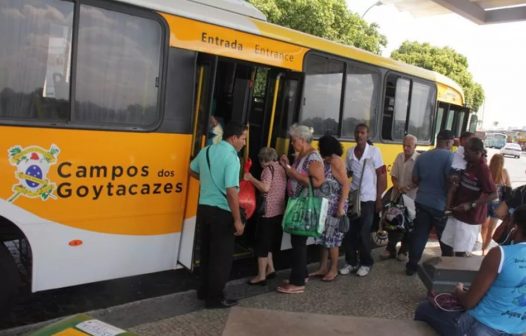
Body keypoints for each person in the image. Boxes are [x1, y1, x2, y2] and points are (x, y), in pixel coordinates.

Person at [414, 205, 526, 336]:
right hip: (517, 331)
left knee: (424, 309)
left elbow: (468, 303)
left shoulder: (500, 254)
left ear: (515, 227)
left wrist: (459, 291)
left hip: (479, 328)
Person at [189, 121, 247, 309]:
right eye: (243, 139)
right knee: (221, 259)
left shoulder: (207, 150)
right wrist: (238, 220)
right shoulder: (232, 157)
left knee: (206, 253)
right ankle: (214, 299)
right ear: (233, 138)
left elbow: (191, 169)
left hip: (204, 209)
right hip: (222, 212)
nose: (244, 143)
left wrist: (206, 182)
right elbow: (231, 191)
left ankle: (203, 291)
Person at [277, 124, 325, 294]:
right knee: (298, 242)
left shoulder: (313, 157)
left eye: (294, 140)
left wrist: (291, 172)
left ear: (302, 140)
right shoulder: (303, 155)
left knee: (298, 243)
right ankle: (301, 274)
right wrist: (287, 166)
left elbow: (317, 181)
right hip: (298, 203)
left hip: (303, 206)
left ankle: (297, 283)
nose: (291, 143)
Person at [405, 129, 455, 276]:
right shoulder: (450, 158)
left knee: (419, 235)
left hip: (421, 201)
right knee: (445, 239)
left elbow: (415, 180)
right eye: (452, 142)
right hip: (440, 205)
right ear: (448, 142)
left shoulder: (422, 157)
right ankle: (448, 269)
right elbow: (450, 182)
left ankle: (411, 266)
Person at [340, 123, 387, 277]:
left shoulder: (374, 152)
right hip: (353, 198)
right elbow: (347, 174)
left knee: (363, 232)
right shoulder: (349, 153)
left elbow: (382, 175)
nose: (359, 135)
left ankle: (366, 263)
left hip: (368, 199)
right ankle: (351, 262)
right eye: (357, 132)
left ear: (367, 135)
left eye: (363, 133)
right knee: (349, 232)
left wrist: (379, 198)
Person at [441, 137, 497, 256]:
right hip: (457, 213)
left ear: (478, 152)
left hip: (469, 219)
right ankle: (446, 271)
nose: (464, 154)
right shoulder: (467, 163)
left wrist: (471, 204)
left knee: (460, 253)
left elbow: (493, 194)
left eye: (467, 152)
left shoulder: (483, 169)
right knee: (446, 246)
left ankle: (457, 273)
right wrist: (455, 179)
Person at [244, 147, 287, 286]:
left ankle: (261, 276)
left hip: (267, 211)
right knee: (268, 242)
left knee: (262, 243)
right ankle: (271, 269)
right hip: (278, 210)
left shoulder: (268, 170)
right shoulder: (280, 167)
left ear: (263, 160)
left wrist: (251, 178)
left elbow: (265, 188)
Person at [310, 135, 349, 282]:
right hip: (326, 205)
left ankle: (333, 269)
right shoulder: (327, 161)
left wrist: (340, 206)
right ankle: (323, 267)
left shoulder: (335, 161)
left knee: (332, 240)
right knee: (324, 238)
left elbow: (345, 184)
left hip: (334, 206)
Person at [380, 134, 418, 262]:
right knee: (393, 222)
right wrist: (398, 186)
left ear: (415, 147)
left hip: (412, 198)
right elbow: (393, 176)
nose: (406, 149)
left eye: (409, 146)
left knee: (409, 224)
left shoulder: (419, 160)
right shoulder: (399, 156)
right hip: (397, 196)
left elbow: (420, 179)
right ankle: (390, 249)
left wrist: (409, 187)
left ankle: (404, 250)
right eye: (404, 146)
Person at [481, 153, 511, 253]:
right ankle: (484, 249)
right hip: (497, 205)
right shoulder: (504, 172)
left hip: (485, 203)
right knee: (490, 228)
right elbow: (509, 188)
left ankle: (484, 246)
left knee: (484, 226)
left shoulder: (487, 170)